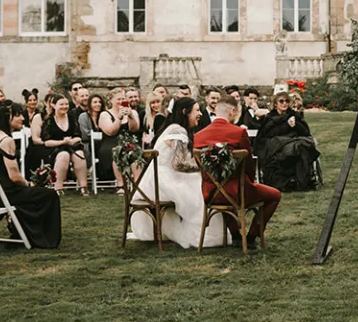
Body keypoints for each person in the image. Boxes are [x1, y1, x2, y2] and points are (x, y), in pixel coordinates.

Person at [129, 98, 229, 249]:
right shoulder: (177, 130)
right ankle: (205, 235)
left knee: (198, 183)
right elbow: (179, 164)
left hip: (154, 181)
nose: (200, 114)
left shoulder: (171, 128)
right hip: (162, 182)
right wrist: (204, 167)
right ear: (185, 112)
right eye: (196, 110)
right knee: (202, 189)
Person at [193, 95, 280, 250]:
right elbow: (249, 166)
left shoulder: (198, 136)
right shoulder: (238, 133)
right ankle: (252, 236)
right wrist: (250, 181)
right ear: (232, 111)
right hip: (238, 192)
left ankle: (236, 235)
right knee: (274, 195)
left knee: (222, 185)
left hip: (210, 193)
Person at [0, 100, 62, 247]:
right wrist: (29, 184)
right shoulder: (6, 140)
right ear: (8, 118)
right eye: (18, 115)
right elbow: (14, 177)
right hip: (6, 192)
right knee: (49, 195)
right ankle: (43, 238)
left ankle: (23, 231)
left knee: (34, 193)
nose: (23, 118)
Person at [256, 91, 321, 191]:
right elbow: (268, 134)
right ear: (275, 104)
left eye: (286, 101)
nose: (284, 103)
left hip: (293, 143)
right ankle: (296, 181)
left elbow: (305, 131)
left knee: (301, 147)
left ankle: (301, 181)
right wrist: (286, 126)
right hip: (275, 146)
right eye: (281, 101)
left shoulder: (294, 115)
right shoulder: (270, 117)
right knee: (297, 148)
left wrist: (296, 125)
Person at [41, 96, 89, 194]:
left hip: (72, 146)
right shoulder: (49, 121)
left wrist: (72, 141)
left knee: (79, 154)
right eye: (61, 104)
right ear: (53, 105)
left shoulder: (72, 119)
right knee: (64, 155)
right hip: (55, 148)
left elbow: (79, 136)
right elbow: (46, 142)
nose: (64, 106)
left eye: (66, 104)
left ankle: (83, 186)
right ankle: (58, 187)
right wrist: (62, 142)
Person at [86, 93, 123, 187]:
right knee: (117, 151)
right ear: (111, 101)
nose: (121, 101)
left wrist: (131, 116)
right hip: (109, 143)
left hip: (125, 141)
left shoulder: (130, 112)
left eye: (123, 99)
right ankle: (121, 183)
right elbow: (110, 132)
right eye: (118, 99)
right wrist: (119, 118)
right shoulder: (104, 114)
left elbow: (134, 129)